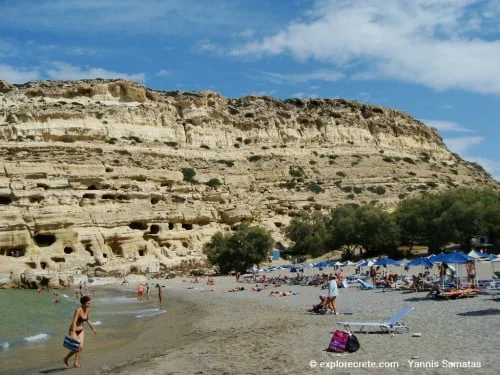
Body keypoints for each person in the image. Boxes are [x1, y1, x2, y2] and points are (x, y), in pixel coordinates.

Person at [63, 295, 97, 368]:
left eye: (90, 303)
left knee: (80, 347)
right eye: (88, 303)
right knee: (76, 347)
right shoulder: (78, 310)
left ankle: (75, 362)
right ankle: (66, 358)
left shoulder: (87, 310)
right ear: (83, 303)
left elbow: (88, 320)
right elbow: (74, 321)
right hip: (74, 329)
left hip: (81, 330)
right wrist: (73, 332)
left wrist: (93, 328)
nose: (89, 304)